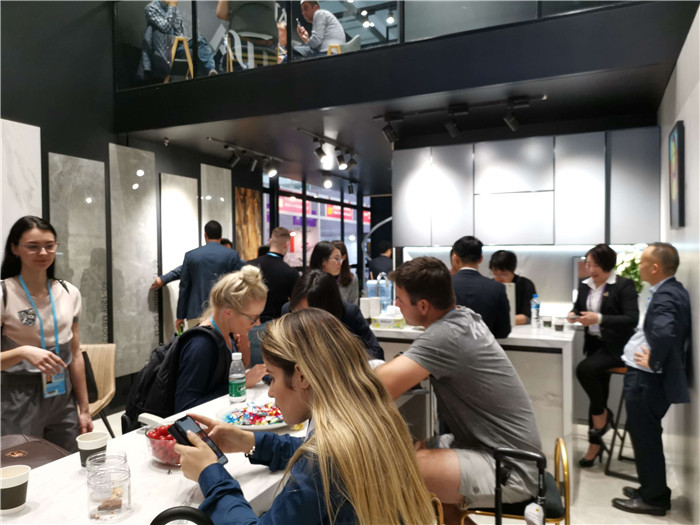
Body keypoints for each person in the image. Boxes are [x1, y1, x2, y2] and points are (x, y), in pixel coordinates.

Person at [175, 308, 434, 525]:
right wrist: (250, 442)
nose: (271, 392)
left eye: (273, 376)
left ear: (302, 376)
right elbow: (312, 451)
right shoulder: (369, 418)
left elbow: (317, 463)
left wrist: (210, 474)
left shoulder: (321, 460)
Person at [375, 257, 542, 518]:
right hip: (500, 450)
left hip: (510, 467)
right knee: (415, 451)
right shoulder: (462, 316)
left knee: (392, 468)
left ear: (423, 306)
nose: (396, 304)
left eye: (400, 299)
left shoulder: (446, 334)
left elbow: (378, 387)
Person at [1, 216, 93, 451]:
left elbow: (75, 354)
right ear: (15, 248)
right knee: (24, 461)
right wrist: (22, 352)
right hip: (17, 396)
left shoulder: (69, 292)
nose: (43, 253)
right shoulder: (4, 294)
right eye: (33, 246)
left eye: (49, 245)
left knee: (67, 459)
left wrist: (84, 408)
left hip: (61, 393)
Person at [612, 243, 691, 517]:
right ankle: (650, 489)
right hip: (646, 378)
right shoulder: (670, 289)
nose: (640, 266)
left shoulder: (667, 295)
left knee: (645, 437)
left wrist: (654, 360)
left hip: (646, 379)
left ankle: (654, 499)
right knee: (645, 434)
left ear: (655, 267)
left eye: (643, 262)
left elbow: (666, 332)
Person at [569, 243, 638, 467]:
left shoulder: (623, 285)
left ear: (608, 265)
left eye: (596, 265)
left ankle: (603, 415)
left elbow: (631, 319)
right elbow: (578, 308)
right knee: (597, 391)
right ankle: (595, 445)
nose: (591, 269)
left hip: (617, 347)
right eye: (588, 264)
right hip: (594, 346)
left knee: (584, 370)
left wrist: (598, 319)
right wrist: (573, 314)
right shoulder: (585, 285)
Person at [174, 266, 268, 412]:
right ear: (228, 313)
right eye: (252, 318)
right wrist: (241, 384)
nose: (257, 324)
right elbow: (185, 406)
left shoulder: (229, 334)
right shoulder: (201, 345)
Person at [282, 270, 383, 360]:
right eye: (298, 310)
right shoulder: (288, 311)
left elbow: (376, 352)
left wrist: (342, 356)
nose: (303, 318)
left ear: (328, 308)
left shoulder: (348, 313)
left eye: (311, 313)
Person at [176, 221, 244, 332]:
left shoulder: (191, 256)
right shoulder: (232, 255)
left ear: (205, 235)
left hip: (195, 313)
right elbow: (239, 286)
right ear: (221, 237)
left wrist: (180, 315)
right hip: (224, 312)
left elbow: (184, 286)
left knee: (197, 341)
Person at [137, 0, 218, 83]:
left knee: (200, 41)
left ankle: (211, 70)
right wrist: (172, 6)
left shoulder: (172, 8)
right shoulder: (151, 8)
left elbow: (178, 29)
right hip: (163, 49)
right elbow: (166, 27)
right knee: (192, 53)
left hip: (177, 43)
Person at [450, 236, 511, 338]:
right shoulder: (497, 288)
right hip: (485, 346)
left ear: (456, 258)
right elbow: (503, 331)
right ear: (481, 259)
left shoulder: (443, 284)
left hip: (447, 346)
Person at [247, 227, 299, 322]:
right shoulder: (291, 273)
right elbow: (295, 303)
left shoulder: (250, 265)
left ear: (270, 241)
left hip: (250, 320)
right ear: (286, 245)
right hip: (276, 323)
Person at [488, 250, 537, 325]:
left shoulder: (525, 285)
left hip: (520, 328)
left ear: (513, 270)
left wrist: (499, 320)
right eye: (495, 273)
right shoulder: (489, 285)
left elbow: (528, 317)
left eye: (504, 274)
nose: (499, 278)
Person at [332, 240, 358, 305]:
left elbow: (353, 304)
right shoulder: (322, 277)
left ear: (344, 257)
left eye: (337, 258)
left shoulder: (351, 278)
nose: (334, 262)